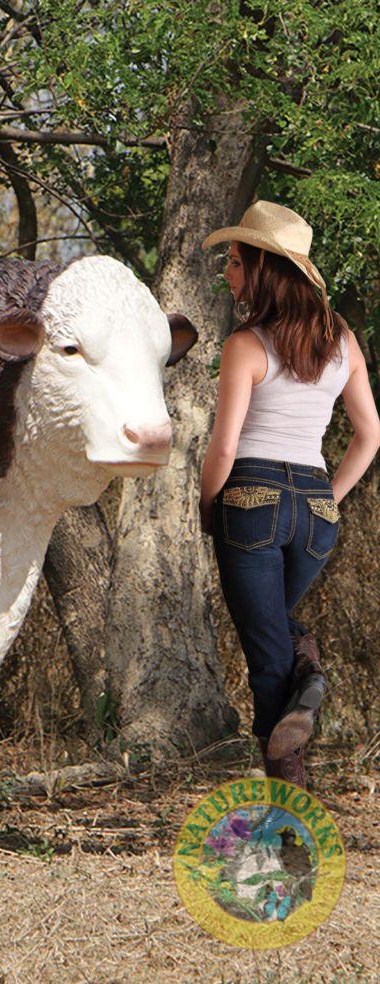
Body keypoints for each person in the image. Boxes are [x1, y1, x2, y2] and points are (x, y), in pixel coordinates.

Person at [199, 200, 380, 788]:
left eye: (233, 261)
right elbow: (370, 435)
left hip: (250, 496)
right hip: (315, 507)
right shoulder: (342, 340)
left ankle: (289, 807)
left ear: (262, 268)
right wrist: (329, 497)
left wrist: (209, 506)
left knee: (266, 656)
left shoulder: (245, 344)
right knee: (275, 628)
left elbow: (223, 450)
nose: (227, 273)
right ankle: (310, 687)